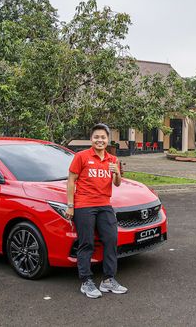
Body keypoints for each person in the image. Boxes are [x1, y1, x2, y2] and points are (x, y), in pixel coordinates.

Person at [65, 123, 127, 298]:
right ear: (91, 139)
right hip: (84, 205)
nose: (100, 140)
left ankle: (108, 279)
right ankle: (86, 281)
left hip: (104, 204)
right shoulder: (81, 157)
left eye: (103, 137)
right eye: (96, 137)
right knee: (87, 243)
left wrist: (117, 173)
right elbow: (71, 181)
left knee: (111, 239)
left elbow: (117, 183)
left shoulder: (112, 160)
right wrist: (70, 206)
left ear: (108, 139)